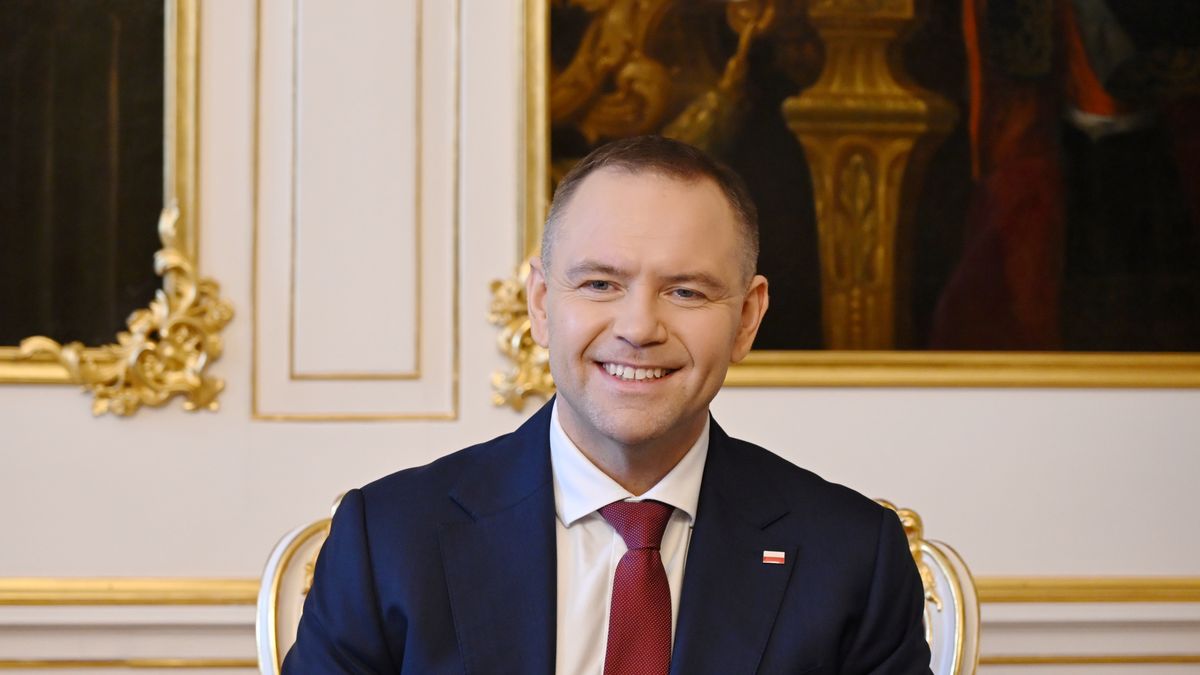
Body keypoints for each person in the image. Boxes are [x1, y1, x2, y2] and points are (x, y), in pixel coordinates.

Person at [283, 136, 932, 674]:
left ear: (747, 318)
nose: (638, 326)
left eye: (685, 290)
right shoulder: (389, 541)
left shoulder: (851, 558)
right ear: (541, 303)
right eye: (600, 283)